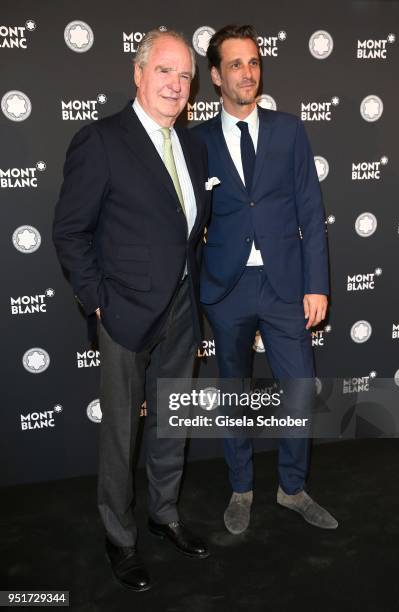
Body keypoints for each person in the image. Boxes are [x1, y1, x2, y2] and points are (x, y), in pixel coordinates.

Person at [53, 28, 210, 592]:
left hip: (182, 312)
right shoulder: (101, 140)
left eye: (185, 75)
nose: (175, 84)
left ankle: (164, 515)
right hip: (124, 314)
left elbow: (186, 230)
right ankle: (119, 538)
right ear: (138, 74)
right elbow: (70, 232)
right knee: (121, 434)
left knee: (173, 425)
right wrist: (98, 301)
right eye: (164, 70)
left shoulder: (192, 144)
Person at [193, 25, 338, 535]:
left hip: (285, 285)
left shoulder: (289, 131)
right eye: (235, 64)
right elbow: (188, 222)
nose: (247, 72)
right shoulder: (198, 142)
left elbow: (310, 210)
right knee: (233, 391)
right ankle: (241, 487)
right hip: (226, 288)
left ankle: (292, 488)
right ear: (215, 76)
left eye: (253, 62)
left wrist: (316, 283)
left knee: (298, 388)